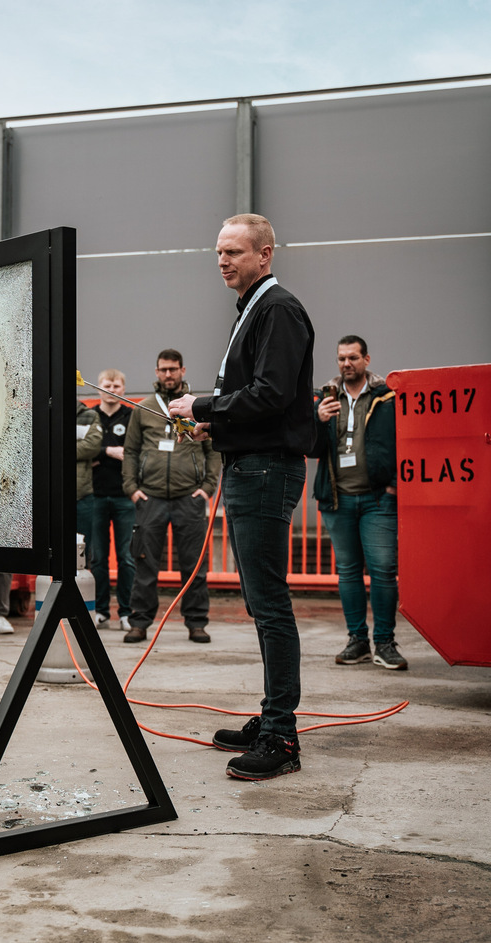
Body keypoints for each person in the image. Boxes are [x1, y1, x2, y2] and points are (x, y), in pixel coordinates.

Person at [169, 214, 315, 781]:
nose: (223, 261)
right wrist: (218, 428)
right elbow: (255, 400)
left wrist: (203, 408)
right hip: (250, 463)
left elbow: (273, 394)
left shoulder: (277, 309)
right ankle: (272, 715)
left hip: (265, 471)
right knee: (261, 601)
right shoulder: (255, 308)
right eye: (219, 252)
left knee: (269, 603)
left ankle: (281, 736)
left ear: (265, 255)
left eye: (234, 251)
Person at [312, 336, 405, 670]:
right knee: (348, 572)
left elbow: (402, 441)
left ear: (366, 359)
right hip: (337, 500)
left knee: (383, 571)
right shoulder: (325, 398)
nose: (346, 364)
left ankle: (385, 643)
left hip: (378, 499)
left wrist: (395, 486)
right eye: (340, 359)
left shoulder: (387, 397)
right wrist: (317, 420)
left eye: (352, 357)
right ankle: (357, 641)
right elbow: (309, 448)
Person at [122, 349, 221, 644]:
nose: (168, 374)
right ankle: (139, 622)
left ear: (182, 370)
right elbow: (131, 451)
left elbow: (213, 448)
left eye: (173, 369)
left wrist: (207, 488)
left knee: (193, 565)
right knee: (145, 563)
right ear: (156, 372)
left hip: (188, 499)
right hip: (150, 498)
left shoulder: (196, 407)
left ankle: (196, 622)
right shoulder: (143, 409)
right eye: (163, 369)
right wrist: (132, 488)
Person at [90, 369, 136, 631]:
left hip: (124, 497)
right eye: (107, 385)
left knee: (126, 557)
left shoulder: (131, 417)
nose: (112, 389)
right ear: (98, 388)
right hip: (95, 495)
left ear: (123, 389)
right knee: (97, 557)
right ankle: (101, 611)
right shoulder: (89, 416)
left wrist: (100, 457)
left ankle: (127, 612)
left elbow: (133, 451)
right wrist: (108, 450)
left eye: (117, 385)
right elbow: (81, 449)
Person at [76, 400, 103, 561]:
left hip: (82, 496)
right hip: (51, 497)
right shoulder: (45, 411)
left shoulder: (89, 415)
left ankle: (81, 586)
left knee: (82, 552)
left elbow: (93, 446)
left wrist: (58, 447)